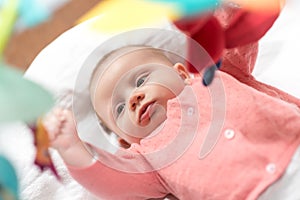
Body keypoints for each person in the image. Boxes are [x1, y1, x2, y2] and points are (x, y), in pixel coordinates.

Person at [43, 4, 300, 200]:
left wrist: (206, 8)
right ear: (124, 140)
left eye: (141, 80)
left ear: (181, 72)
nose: (133, 98)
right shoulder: (147, 159)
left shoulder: (211, 75)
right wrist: (71, 147)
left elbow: (229, 33)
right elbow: (110, 181)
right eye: (119, 108)